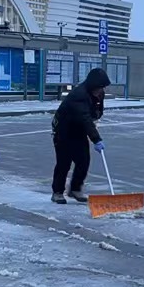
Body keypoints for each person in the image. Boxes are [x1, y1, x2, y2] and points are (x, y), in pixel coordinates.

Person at [51, 67, 110, 204]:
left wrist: (95, 116)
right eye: (99, 87)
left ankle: (75, 189)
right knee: (64, 163)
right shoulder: (79, 95)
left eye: (102, 88)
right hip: (63, 130)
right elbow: (85, 118)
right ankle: (57, 192)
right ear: (92, 85)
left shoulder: (99, 93)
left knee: (83, 161)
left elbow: (97, 111)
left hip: (79, 130)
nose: (101, 90)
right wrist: (96, 139)